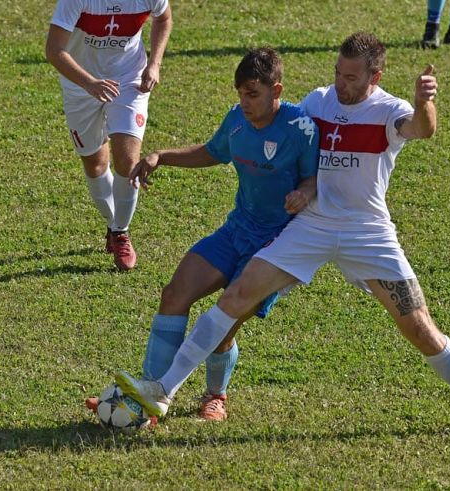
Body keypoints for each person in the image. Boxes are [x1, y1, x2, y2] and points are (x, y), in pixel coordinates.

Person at [116, 32, 450, 437]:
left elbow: (422, 129)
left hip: (366, 231)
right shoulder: (317, 103)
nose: (341, 84)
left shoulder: (388, 110)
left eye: (351, 77)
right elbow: (280, 127)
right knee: (236, 297)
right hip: (311, 226)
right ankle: (163, 391)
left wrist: (426, 102)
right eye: (338, 73)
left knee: (419, 327)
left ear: (375, 77)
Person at [89, 47, 319, 420]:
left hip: (276, 246)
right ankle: (148, 394)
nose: (244, 102)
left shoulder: (301, 129)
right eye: (241, 94)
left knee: (223, 326)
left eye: (253, 94)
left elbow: (317, 178)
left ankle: (215, 395)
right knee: (174, 294)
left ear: (276, 90)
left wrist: (305, 193)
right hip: (236, 230)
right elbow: (213, 152)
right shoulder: (238, 119)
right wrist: (161, 156)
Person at [45, 0, 173, 270]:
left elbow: (163, 18)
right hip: (81, 84)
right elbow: (54, 50)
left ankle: (120, 232)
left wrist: (154, 63)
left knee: (127, 161)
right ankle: (112, 223)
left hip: (129, 79)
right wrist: (90, 83)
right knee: (95, 163)